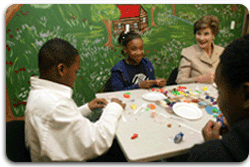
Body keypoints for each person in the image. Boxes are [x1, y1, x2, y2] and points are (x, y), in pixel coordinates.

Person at [25, 38, 126, 162]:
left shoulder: (40, 94)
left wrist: (86, 108)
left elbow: (60, 121)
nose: (75, 76)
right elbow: (98, 141)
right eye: (75, 71)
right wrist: (114, 107)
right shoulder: (56, 104)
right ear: (61, 69)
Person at [188, 35, 249, 162]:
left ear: (246, 95)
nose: (217, 100)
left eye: (220, 91)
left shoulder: (208, 156)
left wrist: (213, 148)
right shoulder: (188, 52)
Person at [176, 15, 224, 84]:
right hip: (197, 93)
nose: (201, 38)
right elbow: (180, 81)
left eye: (206, 34)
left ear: (213, 35)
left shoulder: (222, 52)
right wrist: (199, 79)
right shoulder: (187, 53)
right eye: (199, 34)